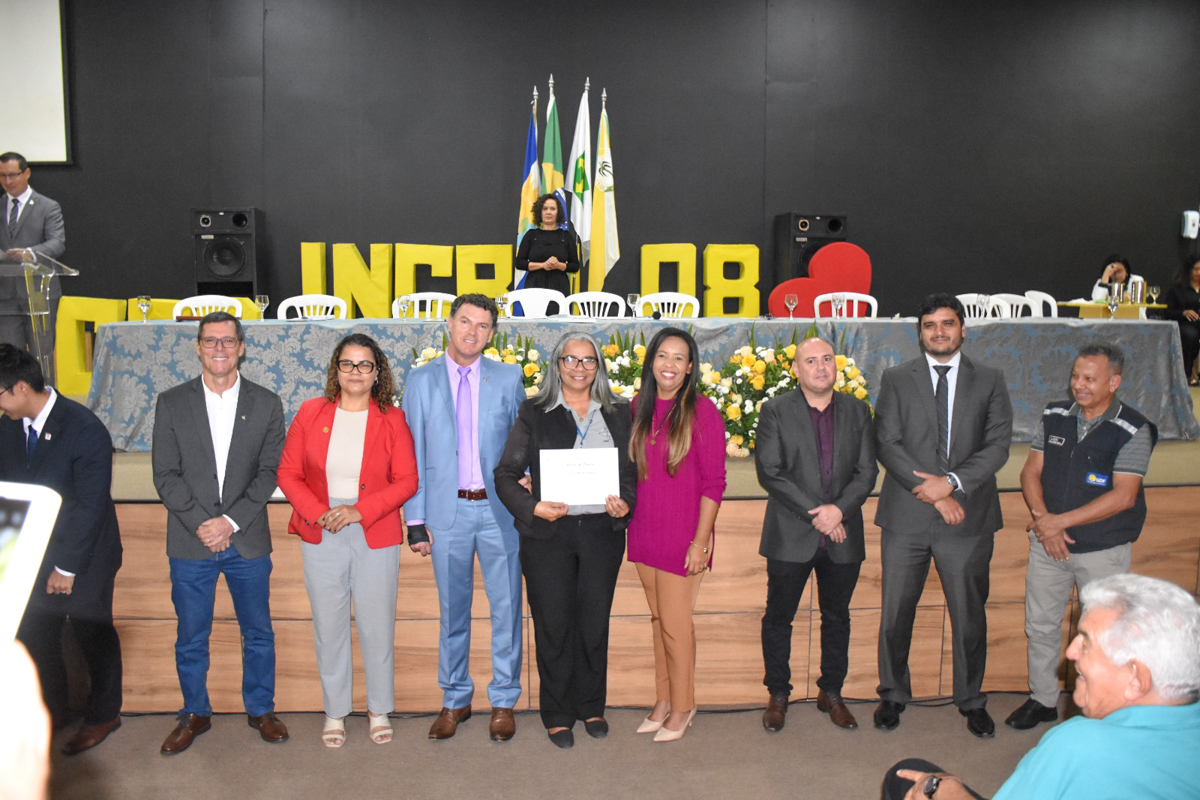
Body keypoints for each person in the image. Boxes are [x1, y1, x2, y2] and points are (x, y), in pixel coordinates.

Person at [882, 573, 1200, 800]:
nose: (1071, 652)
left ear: (1136, 679)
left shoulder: (1078, 745)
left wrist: (952, 794)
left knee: (909, 778)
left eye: (1087, 643)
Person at [874, 293, 1013, 738]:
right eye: (930, 325)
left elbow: (998, 446)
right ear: (920, 332)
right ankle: (893, 694)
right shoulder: (897, 378)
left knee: (969, 615)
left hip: (968, 518)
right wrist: (935, 495)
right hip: (907, 515)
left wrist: (951, 483)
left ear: (963, 329)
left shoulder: (989, 379)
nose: (939, 332)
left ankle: (971, 700)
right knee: (896, 613)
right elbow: (887, 444)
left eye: (947, 323)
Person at [151, 311, 288, 754]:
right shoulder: (172, 402)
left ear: (241, 347)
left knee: (259, 633)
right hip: (190, 541)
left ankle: (261, 709)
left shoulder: (266, 403)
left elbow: (269, 472)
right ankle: (194, 712)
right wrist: (203, 524)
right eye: (210, 341)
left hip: (247, 539)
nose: (219, 349)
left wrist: (229, 522)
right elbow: (165, 474)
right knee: (191, 635)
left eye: (228, 341)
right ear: (198, 347)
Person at [494, 332, 636, 748]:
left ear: (599, 367)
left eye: (588, 360)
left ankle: (591, 705)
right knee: (553, 625)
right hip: (549, 536)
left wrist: (626, 504)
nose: (579, 368)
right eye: (570, 359)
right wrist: (533, 506)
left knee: (593, 623)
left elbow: (632, 474)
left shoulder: (620, 412)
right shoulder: (535, 411)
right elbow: (505, 475)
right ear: (557, 365)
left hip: (601, 534)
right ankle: (557, 713)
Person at [1005, 343, 1157, 731]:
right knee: (1040, 625)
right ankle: (1042, 700)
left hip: (1103, 550)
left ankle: (1099, 705)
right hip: (1048, 546)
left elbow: (1123, 496)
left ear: (1114, 382)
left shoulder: (1134, 428)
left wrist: (1058, 523)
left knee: (1102, 633)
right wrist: (1045, 522)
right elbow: (1030, 473)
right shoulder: (1055, 415)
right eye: (1075, 376)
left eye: (1089, 378)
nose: (1079, 385)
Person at [276, 334, 418, 748]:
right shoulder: (310, 412)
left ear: (377, 373)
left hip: (374, 527)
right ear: (335, 369)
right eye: (347, 363)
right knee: (329, 625)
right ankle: (335, 712)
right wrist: (318, 511)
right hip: (321, 528)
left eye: (364, 364)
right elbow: (288, 473)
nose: (356, 372)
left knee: (377, 625)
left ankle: (379, 709)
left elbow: (407, 480)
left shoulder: (393, 419)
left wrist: (360, 510)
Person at [402, 293, 526, 741]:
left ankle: (504, 700)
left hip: (498, 512)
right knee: (453, 612)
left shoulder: (508, 377)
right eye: (466, 322)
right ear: (449, 325)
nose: (473, 332)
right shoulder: (420, 380)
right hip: (444, 514)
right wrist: (415, 519)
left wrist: (528, 479)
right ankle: (455, 698)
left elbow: (523, 440)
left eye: (483, 325)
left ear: (492, 334)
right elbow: (412, 452)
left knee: (507, 609)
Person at [0, 343, 123, 756]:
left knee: (92, 634)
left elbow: (90, 505)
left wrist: (66, 567)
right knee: (35, 635)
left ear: (20, 387)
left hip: (84, 554)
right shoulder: (7, 427)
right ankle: (50, 713)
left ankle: (104, 714)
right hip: (31, 551)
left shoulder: (84, 428)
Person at [755, 337, 877, 732]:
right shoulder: (775, 410)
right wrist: (820, 515)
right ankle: (778, 693)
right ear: (796, 370)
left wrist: (839, 510)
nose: (821, 367)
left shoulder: (857, 410)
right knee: (779, 618)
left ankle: (832, 692)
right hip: (790, 535)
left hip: (843, 535)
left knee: (837, 617)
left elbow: (867, 472)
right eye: (811, 361)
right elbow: (770, 472)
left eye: (827, 359)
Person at [627, 327, 726, 742]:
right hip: (644, 530)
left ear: (689, 368)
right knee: (659, 622)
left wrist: (700, 543)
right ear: (652, 362)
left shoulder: (703, 411)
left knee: (675, 625)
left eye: (678, 358)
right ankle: (665, 698)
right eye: (662, 356)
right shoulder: (637, 407)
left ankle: (684, 706)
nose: (669, 364)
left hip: (683, 536)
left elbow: (714, 484)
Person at [0, 152, 66, 367]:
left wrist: (30, 253)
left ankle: (44, 390)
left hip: (39, 294)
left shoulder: (48, 206)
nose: (8, 181)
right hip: (6, 297)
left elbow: (57, 243)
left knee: (42, 356)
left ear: (27, 173)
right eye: (2, 176)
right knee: (10, 359)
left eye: (13, 175)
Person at [514, 193, 579, 301]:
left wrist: (558, 265)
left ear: (558, 212)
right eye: (545, 209)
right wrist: (542, 265)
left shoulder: (566, 236)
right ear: (539, 212)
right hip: (534, 287)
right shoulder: (531, 235)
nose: (548, 212)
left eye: (552, 209)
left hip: (560, 288)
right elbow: (519, 263)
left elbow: (575, 266)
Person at [1163, 256, 1200, 385]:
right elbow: (1168, 312)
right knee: (1190, 336)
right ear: (1189, 270)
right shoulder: (1177, 289)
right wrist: (1183, 313)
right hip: (1185, 323)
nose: (1199, 272)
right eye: (1196, 269)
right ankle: (1186, 373)